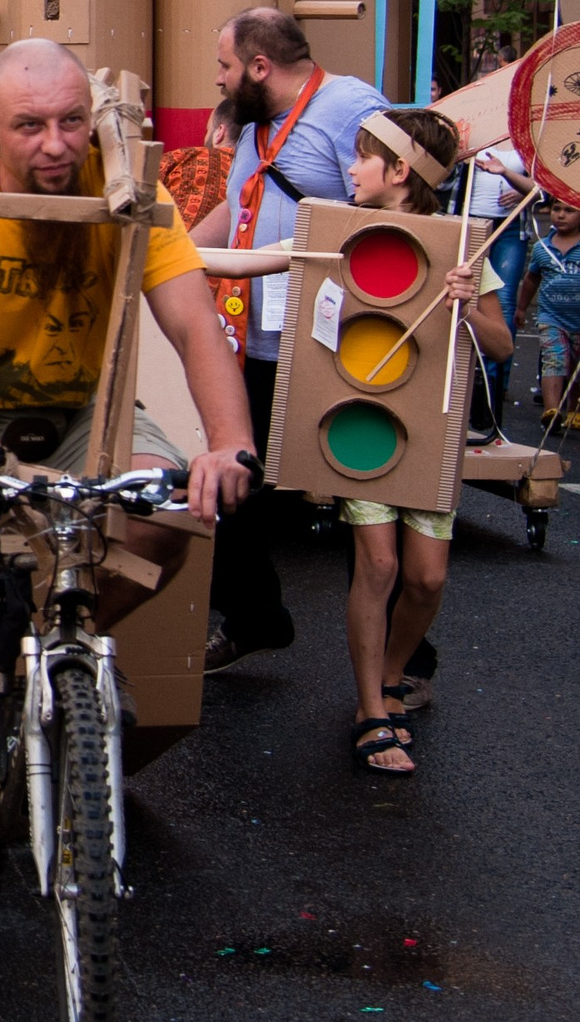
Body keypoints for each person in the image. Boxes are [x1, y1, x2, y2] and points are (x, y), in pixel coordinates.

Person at [0, 39, 255, 966]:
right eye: (30, 125)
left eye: (73, 120)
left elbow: (196, 324)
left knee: (168, 517)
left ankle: (42, 646)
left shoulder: (126, 191)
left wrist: (228, 444)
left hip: (78, 413)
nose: (56, 143)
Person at [205, 108, 507, 775]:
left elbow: (502, 342)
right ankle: (373, 707)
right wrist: (169, 254)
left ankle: (391, 674)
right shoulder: (338, 229)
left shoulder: (463, 245)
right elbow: (256, 260)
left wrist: (465, 304)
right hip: (361, 426)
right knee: (378, 567)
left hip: (427, 432)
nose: (350, 166)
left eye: (363, 157)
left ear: (400, 171)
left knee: (426, 578)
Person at [191, 7, 387, 674]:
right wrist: (175, 260)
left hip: (324, 342)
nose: (217, 80)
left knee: (365, 503)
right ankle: (256, 619)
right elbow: (241, 205)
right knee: (230, 480)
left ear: (259, 67)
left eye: (223, 66)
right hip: (251, 337)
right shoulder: (256, 123)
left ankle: (405, 658)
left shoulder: (350, 106)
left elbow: (392, 204)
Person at [523, 192, 580, 425]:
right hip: (552, 316)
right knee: (554, 359)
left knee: (576, 367)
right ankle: (552, 411)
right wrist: (520, 308)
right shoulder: (541, 248)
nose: (561, 215)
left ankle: (573, 410)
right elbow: (530, 280)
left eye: (569, 210)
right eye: (557, 209)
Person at [160, 100, 238, 236]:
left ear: (219, 133)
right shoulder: (260, 177)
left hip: (172, 250)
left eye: (207, 130)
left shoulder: (186, 157)